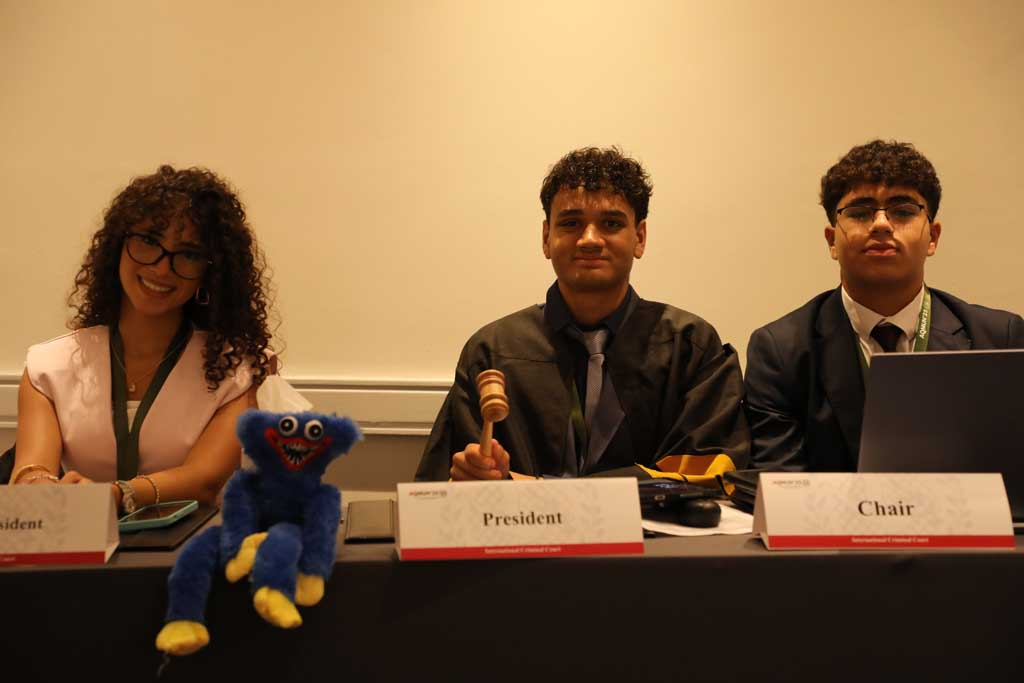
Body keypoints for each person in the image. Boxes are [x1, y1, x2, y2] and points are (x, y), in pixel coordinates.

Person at [416, 147, 749, 481]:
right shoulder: (492, 352)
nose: (590, 239)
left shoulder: (690, 348)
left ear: (639, 238)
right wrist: (480, 475)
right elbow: (441, 487)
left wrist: (536, 488)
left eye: (611, 223)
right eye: (571, 223)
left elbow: (711, 478)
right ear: (546, 238)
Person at [744, 139, 1024, 472]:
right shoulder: (780, 351)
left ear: (933, 238)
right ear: (832, 241)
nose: (880, 224)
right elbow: (783, 485)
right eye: (860, 212)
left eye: (902, 211)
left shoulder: (999, 339)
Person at [11, 165, 274, 515]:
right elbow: (30, 470)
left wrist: (115, 495)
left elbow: (204, 481)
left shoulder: (238, 370)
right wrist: (41, 487)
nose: (162, 268)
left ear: (210, 272)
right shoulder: (48, 367)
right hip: (80, 543)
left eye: (189, 253)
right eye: (149, 241)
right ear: (117, 245)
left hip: (194, 547)